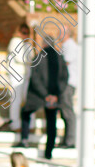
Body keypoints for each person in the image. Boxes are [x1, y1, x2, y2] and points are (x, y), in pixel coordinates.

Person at [17, 30, 68, 159]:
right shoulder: (60, 58)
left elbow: (35, 78)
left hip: (38, 95)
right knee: (52, 122)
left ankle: (24, 139)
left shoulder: (39, 57)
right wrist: (55, 94)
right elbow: (64, 77)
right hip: (54, 95)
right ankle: (48, 151)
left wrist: (45, 94)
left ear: (44, 44)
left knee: (26, 113)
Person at [5, 22, 32, 134]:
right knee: (16, 99)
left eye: (27, 33)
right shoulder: (15, 42)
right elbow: (21, 58)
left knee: (27, 100)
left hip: (26, 75)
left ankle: (29, 125)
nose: (25, 35)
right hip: (16, 75)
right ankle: (15, 124)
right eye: (23, 32)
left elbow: (31, 58)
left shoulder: (28, 45)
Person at [58, 26, 78, 149]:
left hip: (68, 82)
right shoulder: (67, 45)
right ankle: (67, 139)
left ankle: (70, 140)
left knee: (67, 111)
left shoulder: (69, 46)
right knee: (65, 112)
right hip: (67, 82)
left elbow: (64, 63)